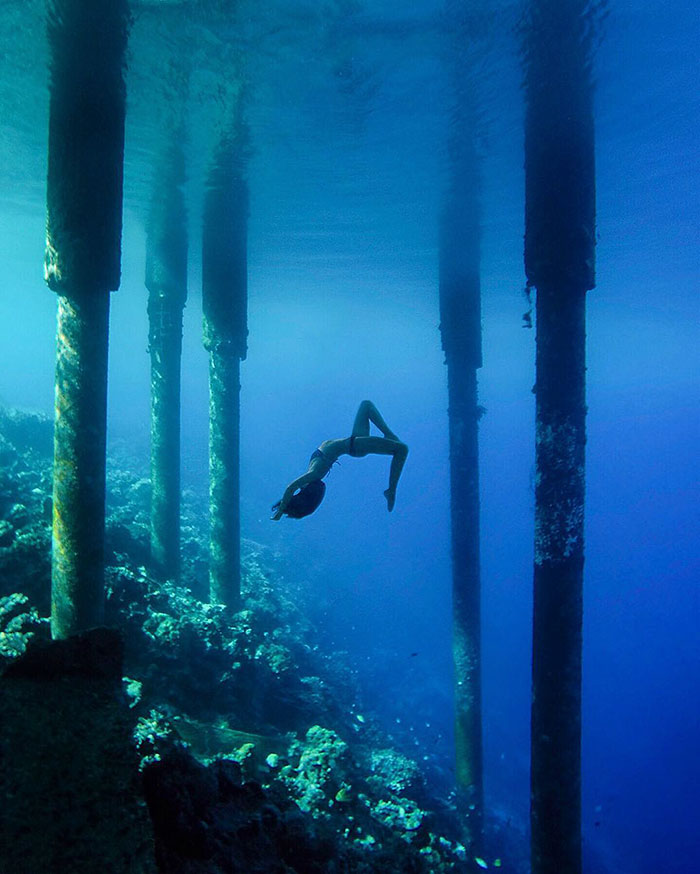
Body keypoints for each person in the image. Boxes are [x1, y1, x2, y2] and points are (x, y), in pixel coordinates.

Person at [271, 400, 408, 520]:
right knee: (402, 449)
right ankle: (391, 490)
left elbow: (292, 491)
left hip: (353, 440)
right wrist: (281, 511)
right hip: (354, 446)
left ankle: (389, 434)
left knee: (366, 405)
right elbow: (290, 488)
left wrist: (283, 509)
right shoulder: (315, 474)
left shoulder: (306, 482)